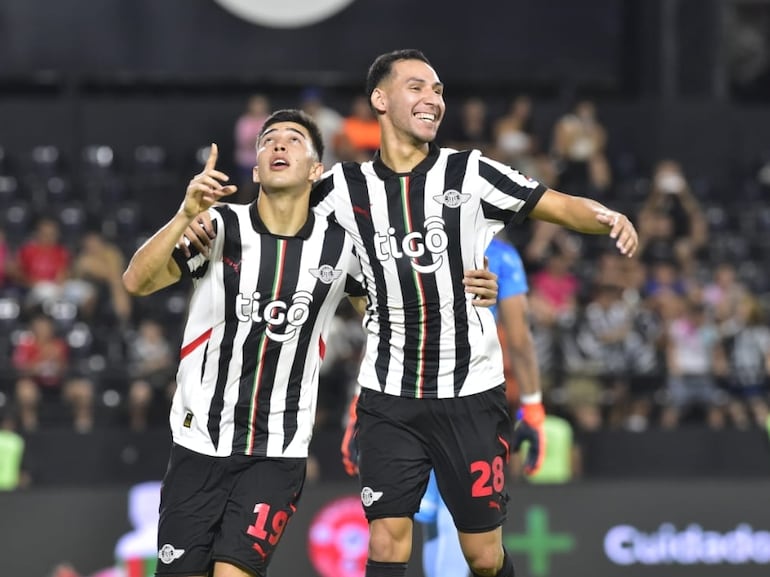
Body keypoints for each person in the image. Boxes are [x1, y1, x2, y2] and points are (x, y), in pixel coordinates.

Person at [188, 49, 637, 577]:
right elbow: (273, 219)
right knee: (387, 540)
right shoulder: (338, 189)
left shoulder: (469, 173)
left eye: (439, 90)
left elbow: (556, 204)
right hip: (389, 395)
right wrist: (200, 224)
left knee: (483, 556)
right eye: (418, 87)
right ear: (380, 99)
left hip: (470, 390)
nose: (433, 100)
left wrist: (608, 216)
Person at [123, 109, 497, 577]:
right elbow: (137, 281)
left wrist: (475, 288)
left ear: (316, 170)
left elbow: (401, 303)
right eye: (268, 140)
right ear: (255, 168)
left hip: (277, 449)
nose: (279, 145)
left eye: (293, 139)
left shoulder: (342, 247)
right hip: (198, 443)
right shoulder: (218, 227)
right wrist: (184, 215)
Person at [345, 234, 544, 577]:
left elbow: (382, 328)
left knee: (431, 525)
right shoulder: (500, 256)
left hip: (405, 399)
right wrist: (533, 407)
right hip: (467, 403)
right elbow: (519, 337)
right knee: (459, 529)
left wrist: (355, 407)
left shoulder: (409, 239)